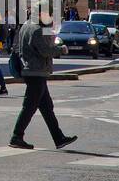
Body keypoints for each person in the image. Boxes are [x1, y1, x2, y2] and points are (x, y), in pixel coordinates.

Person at [10, 10, 78, 150]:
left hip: (32, 70)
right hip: (36, 71)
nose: (50, 17)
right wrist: (62, 49)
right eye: (48, 14)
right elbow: (46, 50)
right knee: (29, 107)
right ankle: (16, 136)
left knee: (47, 108)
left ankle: (59, 138)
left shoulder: (26, 25)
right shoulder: (37, 29)